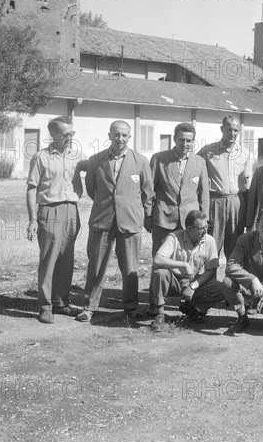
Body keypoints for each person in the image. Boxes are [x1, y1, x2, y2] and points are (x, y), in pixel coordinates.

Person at [76, 120, 154, 323]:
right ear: (109, 135)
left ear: (129, 137)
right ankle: (89, 307)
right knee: (96, 266)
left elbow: (147, 192)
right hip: (103, 219)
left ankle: (131, 308)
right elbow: (92, 189)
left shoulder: (141, 161)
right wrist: (107, 206)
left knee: (130, 268)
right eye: (116, 135)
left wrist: (135, 211)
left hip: (130, 221)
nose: (120, 139)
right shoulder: (96, 160)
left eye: (124, 135)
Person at [26, 116, 85, 324]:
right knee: (49, 260)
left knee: (66, 260)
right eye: (65, 134)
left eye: (72, 133)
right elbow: (32, 189)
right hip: (49, 210)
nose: (70, 137)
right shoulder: (41, 157)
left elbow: (96, 171)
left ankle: (61, 302)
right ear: (53, 135)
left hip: (72, 210)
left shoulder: (77, 156)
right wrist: (33, 219)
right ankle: (45, 306)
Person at [148, 210, 224, 332]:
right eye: (201, 228)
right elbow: (157, 259)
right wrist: (184, 265)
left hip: (193, 281)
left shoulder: (209, 240)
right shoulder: (174, 237)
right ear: (189, 228)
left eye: (206, 226)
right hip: (173, 281)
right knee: (160, 273)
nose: (205, 231)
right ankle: (159, 313)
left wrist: (193, 286)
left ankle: (194, 308)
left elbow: (211, 270)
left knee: (223, 288)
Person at [146, 122, 209, 256]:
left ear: (193, 142)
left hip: (191, 222)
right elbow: (149, 190)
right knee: (161, 259)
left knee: (187, 259)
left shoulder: (200, 162)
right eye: (181, 139)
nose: (185, 144)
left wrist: (205, 219)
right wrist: (148, 215)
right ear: (174, 139)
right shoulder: (159, 159)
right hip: (164, 220)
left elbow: (204, 195)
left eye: (189, 141)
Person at [198, 115, 251, 259]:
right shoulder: (207, 151)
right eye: (229, 130)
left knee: (235, 246)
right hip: (215, 202)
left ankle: (232, 281)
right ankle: (210, 280)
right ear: (222, 129)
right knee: (212, 244)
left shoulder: (244, 154)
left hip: (236, 203)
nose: (233, 134)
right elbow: (194, 173)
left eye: (236, 130)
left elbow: (247, 184)